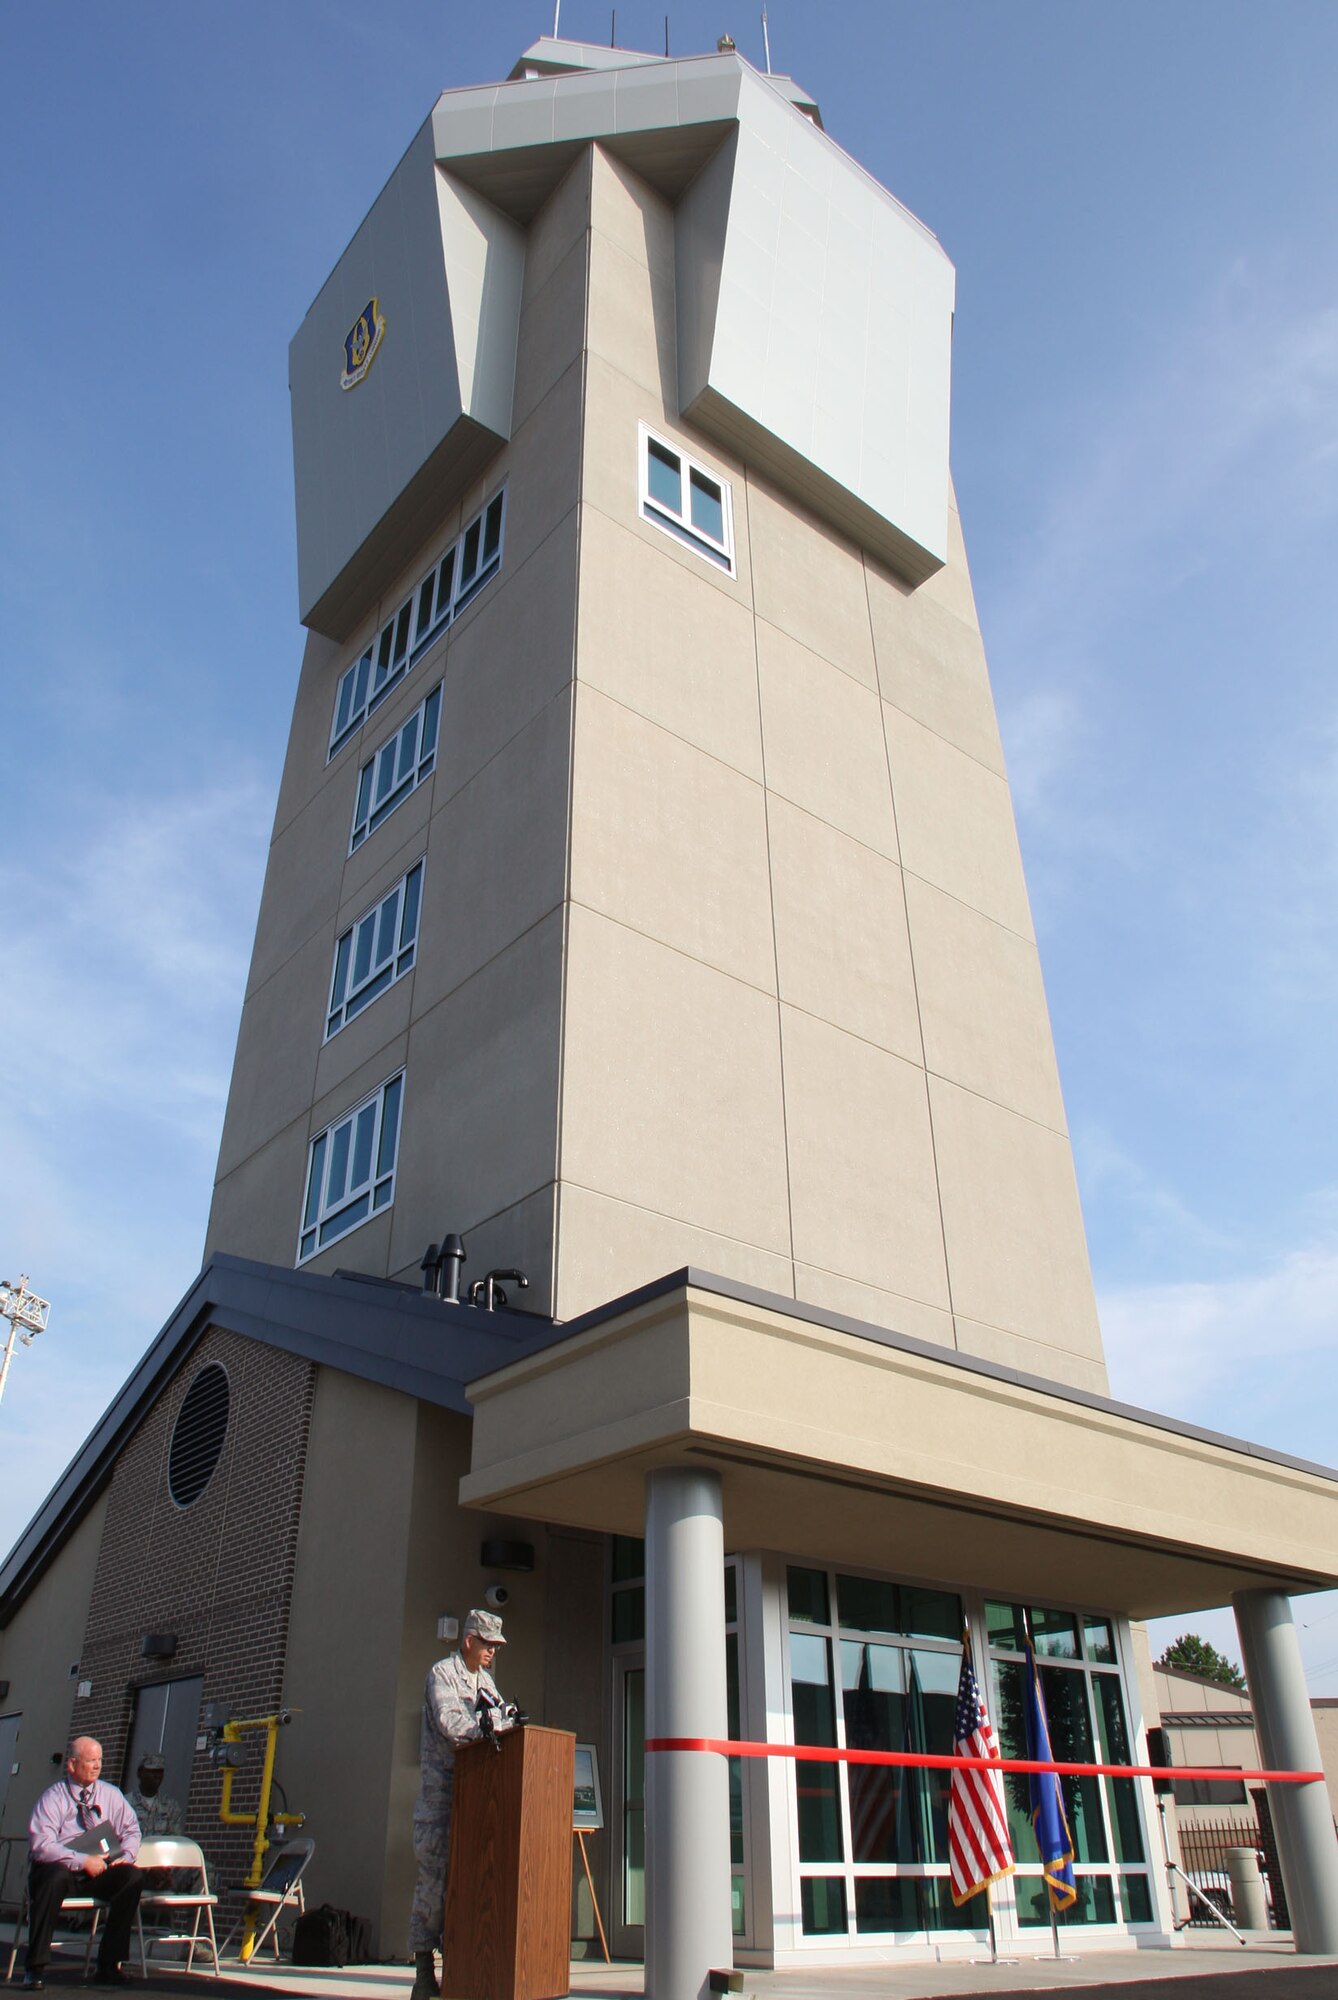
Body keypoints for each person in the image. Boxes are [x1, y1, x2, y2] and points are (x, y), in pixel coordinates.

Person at [408, 1609, 517, 2000]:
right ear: (469, 1640)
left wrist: (507, 1722)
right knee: (434, 1886)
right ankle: (424, 1971)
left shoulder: (486, 1681)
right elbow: (454, 1725)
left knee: (473, 1883)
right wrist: (491, 1725)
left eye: (496, 1647)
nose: (492, 1652)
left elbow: (502, 1719)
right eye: (488, 1644)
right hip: (441, 1800)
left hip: (477, 1800)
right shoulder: (443, 1674)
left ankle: (464, 1965)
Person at [24, 1736, 144, 1990]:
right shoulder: (53, 1797)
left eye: (100, 1760)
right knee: (52, 1876)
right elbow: (41, 1845)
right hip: (62, 1869)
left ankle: (109, 1966)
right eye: (91, 1761)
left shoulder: (111, 1795)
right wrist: (81, 1860)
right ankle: (35, 1968)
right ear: (72, 1765)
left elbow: (132, 1830)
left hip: (99, 1871)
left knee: (131, 1877)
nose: (97, 1766)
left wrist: (125, 1857)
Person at [124, 1753, 184, 1837]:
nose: (157, 1776)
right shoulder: (125, 1804)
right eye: (152, 1771)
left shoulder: (171, 1807)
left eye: (160, 1772)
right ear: (140, 1773)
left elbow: (174, 1839)